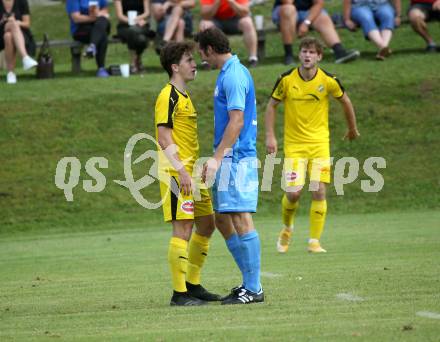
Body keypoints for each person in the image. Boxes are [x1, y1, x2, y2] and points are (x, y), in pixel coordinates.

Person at [265, 37, 360, 254]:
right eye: (304, 51)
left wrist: (352, 128)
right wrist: (270, 136)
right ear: (299, 55)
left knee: (318, 191)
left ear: (319, 56)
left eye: (312, 52)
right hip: (294, 146)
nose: (307, 55)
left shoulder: (328, 80)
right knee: (294, 193)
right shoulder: (286, 79)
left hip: (319, 144)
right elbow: (271, 106)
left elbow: (345, 101)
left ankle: (314, 242)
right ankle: (287, 228)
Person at [195, 27, 263, 304]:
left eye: (202, 53)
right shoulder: (229, 73)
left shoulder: (233, 75)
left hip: (236, 157)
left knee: (240, 218)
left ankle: (254, 288)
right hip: (230, 156)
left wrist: (217, 158)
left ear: (210, 49)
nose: (202, 59)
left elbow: (237, 121)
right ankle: (249, 283)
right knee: (223, 217)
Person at [155, 41, 222, 306]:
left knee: (207, 224)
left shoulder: (185, 96)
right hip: (176, 172)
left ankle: (193, 284)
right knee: (182, 229)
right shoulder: (167, 96)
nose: (195, 64)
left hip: (193, 172)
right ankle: (179, 293)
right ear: (175, 67)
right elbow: (163, 135)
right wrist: (181, 170)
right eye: (188, 60)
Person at [272, 0, 360, 65]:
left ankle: (339, 52)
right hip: (284, 10)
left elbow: (319, 4)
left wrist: (306, 23)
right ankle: (289, 55)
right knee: (288, 10)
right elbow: (287, 1)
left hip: (308, 11)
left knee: (323, 18)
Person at [199, 0, 258, 67]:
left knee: (247, 22)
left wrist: (231, 2)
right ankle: (206, 60)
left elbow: (245, 12)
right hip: (215, 20)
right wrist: (217, 2)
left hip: (235, 19)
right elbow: (205, 15)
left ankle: (253, 58)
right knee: (204, 24)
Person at [66, 0, 111, 77]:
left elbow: (105, 9)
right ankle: (101, 68)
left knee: (102, 23)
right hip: (80, 29)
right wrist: (95, 18)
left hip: (98, 25)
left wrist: (99, 14)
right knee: (102, 34)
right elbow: (76, 18)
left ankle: (92, 46)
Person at [0, 0, 38, 84]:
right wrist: (2, 20)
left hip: (20, 34)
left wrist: (17, 22)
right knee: (11, 24)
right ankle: (25, 57)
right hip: (0, 33)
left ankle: (10, 74)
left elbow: (27, 23)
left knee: (8, 36)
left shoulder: (22, 1)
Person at [115, 0, 152, 73]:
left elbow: (147, 12)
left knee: (139, 36)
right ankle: (137, 60)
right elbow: (119, 15)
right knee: (138, 36)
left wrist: (138, 19)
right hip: (124, 25)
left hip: (141, 23)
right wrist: (131, 21)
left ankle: (134, 61)